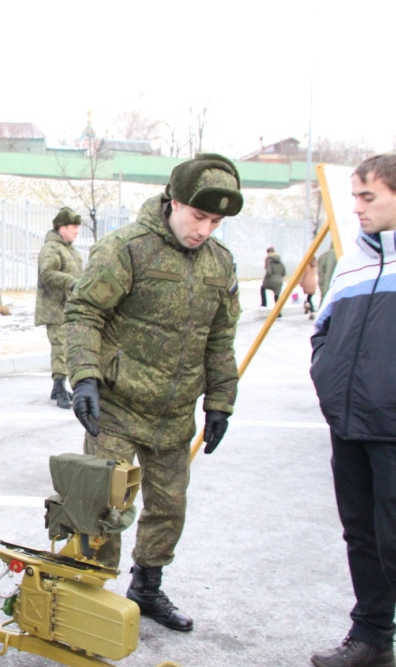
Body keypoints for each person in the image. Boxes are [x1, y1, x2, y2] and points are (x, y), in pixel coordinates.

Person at [66, 153, 242, 632]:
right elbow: (84, 312)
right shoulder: (128, 248)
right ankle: (90, 595)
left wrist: (221, 401)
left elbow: (220, 340)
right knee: (107, 506)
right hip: (117, 408)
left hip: (174, 413)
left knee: (168, 508)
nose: (205, 229)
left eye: (215, 221)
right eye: (199, 216)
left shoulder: (220, 264)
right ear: (174, 201)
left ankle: (147, 586)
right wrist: (84, 377)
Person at [309, 153, 396, 667]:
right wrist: (325, 375)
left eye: (367, 196)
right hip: (349, 425)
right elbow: (323, 329)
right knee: (362, 538)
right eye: (352, 196)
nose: (355, 208)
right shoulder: (353, 260)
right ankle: (373, 639)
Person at [35, 206, 83, 409]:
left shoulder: (69, 248)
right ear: (61, 227)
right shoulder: (52, 248)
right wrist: (70, 282)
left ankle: (58, 387)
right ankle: (60, 387)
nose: (77, 231)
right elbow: (47, 273)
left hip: (67, 307)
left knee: (66, 348)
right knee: (60, 347)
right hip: (55, 308)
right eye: (73, 227)